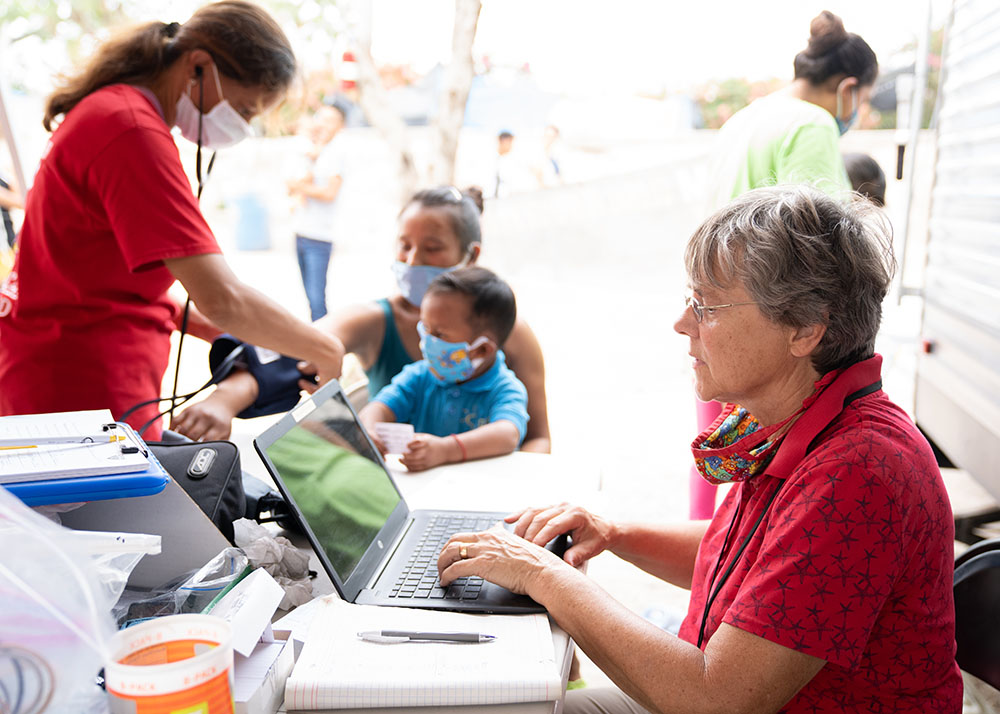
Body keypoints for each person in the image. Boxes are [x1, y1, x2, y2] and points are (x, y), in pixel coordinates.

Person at [437, 186, 963, 713]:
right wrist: (613, 534)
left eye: (706, 306)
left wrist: (539, 574)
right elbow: (748, 563)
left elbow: (717, 700)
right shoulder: (796, 420)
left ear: (805, 328)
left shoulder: (859, 473)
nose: (683, 323)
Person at [0, 1, 345, 440]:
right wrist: (324, 348)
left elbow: (102, 280)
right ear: (198, 65)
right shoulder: (131, 131)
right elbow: (223, 296)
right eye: (243, 109)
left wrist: (233, 335)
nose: (240, 127)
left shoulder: (117, 113)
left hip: (67, 371)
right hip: (75, 392)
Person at [173, 186, 551, 453]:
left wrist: (506, 485)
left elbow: (538, 437)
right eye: (404, 245)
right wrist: (223, 401)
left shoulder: (513, 332)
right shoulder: (374, 319)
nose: (412, 260)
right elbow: (288, 355)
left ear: (471, 255)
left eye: (432, 248)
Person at [693, 10, 879, 518]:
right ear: (848, 88)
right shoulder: (812, 122)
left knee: (719, 459)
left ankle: (708, 579)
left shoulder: (746, 117)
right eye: (863, 100)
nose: (858, 112)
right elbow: (828, 247)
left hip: (714, 311)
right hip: (769, 324)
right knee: (775, 493)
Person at [360, 266, 528, 472]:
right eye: (426, 328)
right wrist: (369, 431)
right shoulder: (419, 376)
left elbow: (507, 434)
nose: (428, 342)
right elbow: (378, 408)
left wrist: (445, 450)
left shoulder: (505, 389)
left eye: (439, 335)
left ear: (482, 349)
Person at [288, 102, 347, 321]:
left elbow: (329, 193)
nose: (322, 125)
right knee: (309, 298)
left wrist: (299, 187)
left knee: (316, 300)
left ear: (341, 126)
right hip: (301, 231)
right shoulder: (314, 152)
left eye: (329, 120)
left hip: (320, 236)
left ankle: (323, 347)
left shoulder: (336, 154)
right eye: (320, 119)